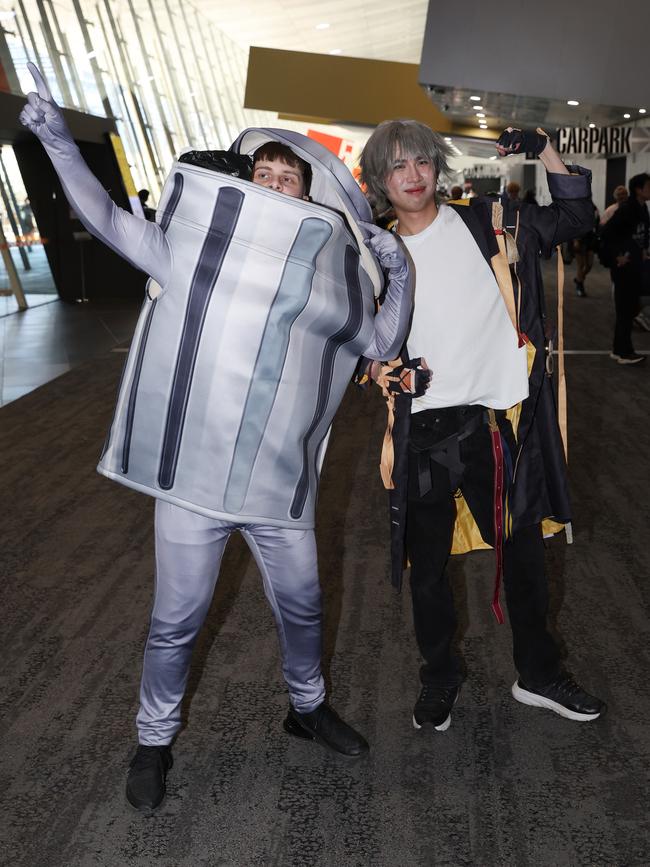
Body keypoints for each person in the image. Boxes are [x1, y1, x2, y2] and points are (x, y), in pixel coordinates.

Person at [20, 64, 413, 810]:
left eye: (286, 177)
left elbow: (383, 339)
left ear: (307, 194)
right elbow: (104, 217)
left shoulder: (326, 284)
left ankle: (307, 707)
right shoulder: (187, 252)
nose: (271, 183)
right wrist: (57, 143)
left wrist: (397, 270)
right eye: (260, 171)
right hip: (192, 482)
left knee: (303, 607)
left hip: (276, 486)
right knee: (175, 621)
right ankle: (153, 740)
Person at [359, 120, 605, 733]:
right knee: (429, 570)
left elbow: (577, 220)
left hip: (497, 419)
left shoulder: (488, 221)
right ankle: (439, 675)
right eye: (397, 167)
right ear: (380, 180)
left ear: (435, 166)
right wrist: (377, 369)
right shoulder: (372, 253)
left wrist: (546, 147)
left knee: (524, 556)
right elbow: (351, 336)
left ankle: (539, 675)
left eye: (420, 161)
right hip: (425, 429)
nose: (413, 175)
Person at [600, 172, 650, 363]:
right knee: (625, 309)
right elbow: (606, 234)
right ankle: (622, 352)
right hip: (623, 267)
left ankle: (621, 349)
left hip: (635, 265)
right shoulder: (627, 209)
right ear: (639, 189)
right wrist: (616, 256)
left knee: (629, 309)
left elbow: (641, 234)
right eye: (648, 186)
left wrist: (643, 250)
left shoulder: (642, 207)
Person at [572, 202, 600, 297]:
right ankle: (580, 286)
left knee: (589, 265)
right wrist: (576, 240)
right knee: (581, 265)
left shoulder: (593, 207)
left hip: (590, 238)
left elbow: (597, 221)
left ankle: (578, 279)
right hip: (579, 239)